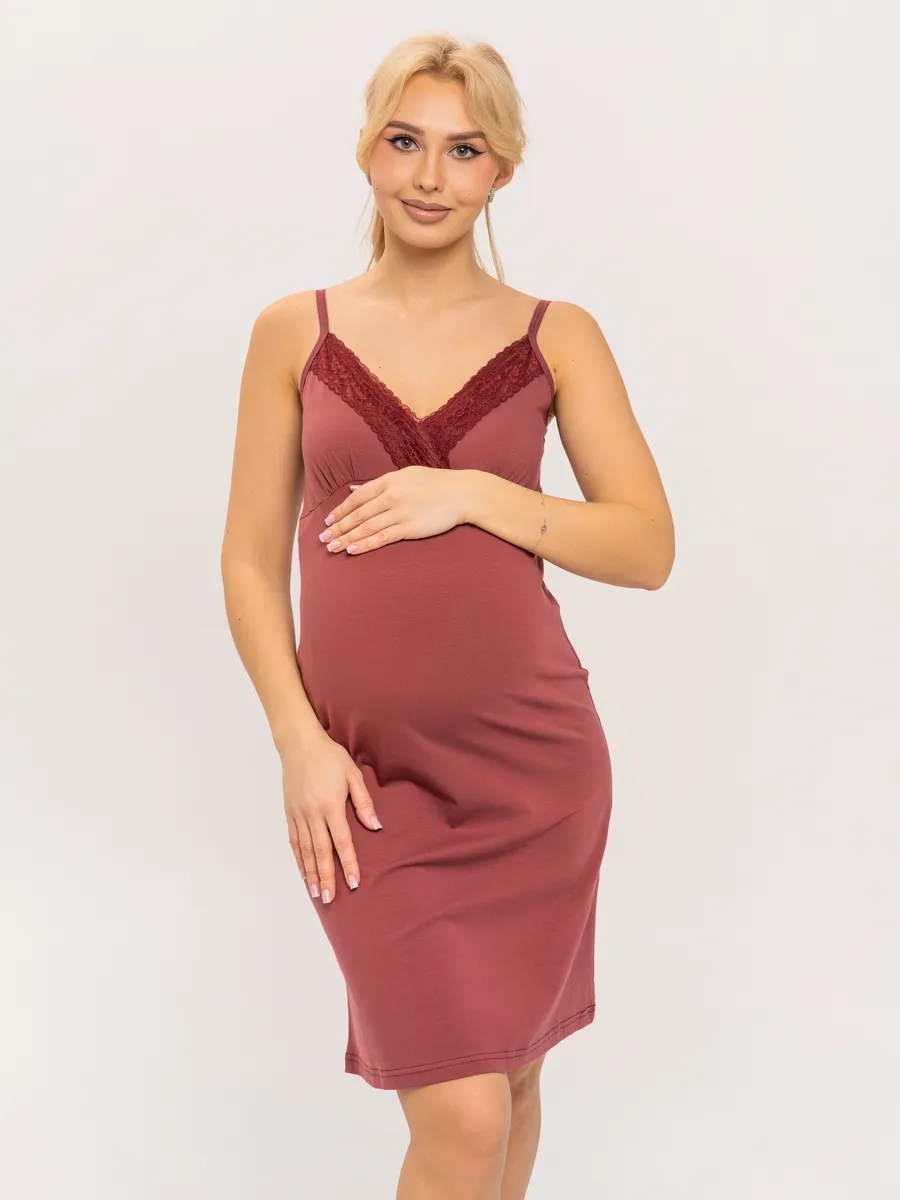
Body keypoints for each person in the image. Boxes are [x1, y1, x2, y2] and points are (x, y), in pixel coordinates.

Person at [221, 31, 675, 1200]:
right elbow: (250, 562)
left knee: (508, 1084)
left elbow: (646, 547)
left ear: (501, 169)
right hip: (366, 781)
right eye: (405, 142)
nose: (430, 176)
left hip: (535, 772)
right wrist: (298, 742)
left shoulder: (555, 336)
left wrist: (474, 492)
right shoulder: (295, 332)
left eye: (464, 150)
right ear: (365, 152)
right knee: (464, 1111)